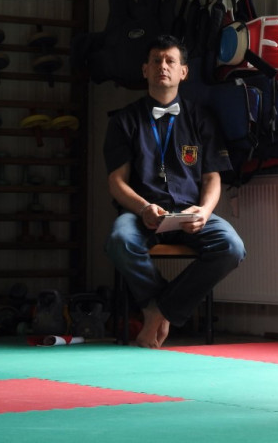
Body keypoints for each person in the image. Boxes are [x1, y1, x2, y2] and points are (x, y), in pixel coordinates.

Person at [104, 34, 245, 348]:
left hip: (189, 213)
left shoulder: (202, 118)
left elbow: (212, 178)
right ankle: (159, 306)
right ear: (145, 70)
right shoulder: (124, 120)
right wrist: (143, 208)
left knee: (231, 246)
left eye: (170, 61)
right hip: (141, 213)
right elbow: (116, 181)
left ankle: (158, 310)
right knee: (119, 240)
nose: (162, 67)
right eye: (156, 61)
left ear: (184, 71)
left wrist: (205, 211)